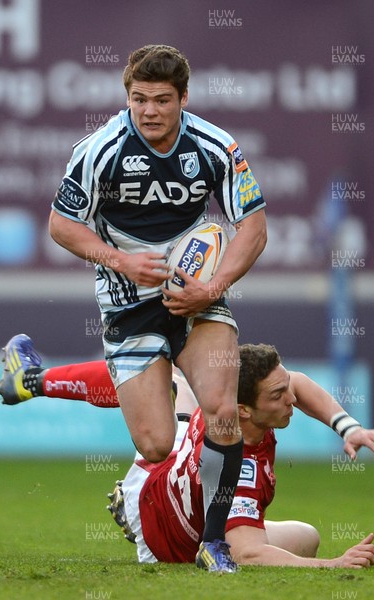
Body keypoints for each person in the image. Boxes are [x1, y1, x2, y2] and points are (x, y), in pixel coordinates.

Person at [46, 44, 267, 572]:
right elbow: (61, 225)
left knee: (222, 408)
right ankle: (141, 473)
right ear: (127, 97)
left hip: (196, 297)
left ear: (183, 99)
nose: (148, 110)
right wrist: (120, 261)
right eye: (138, 98)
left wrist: (211, 290)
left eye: (161, 100)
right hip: (128, 302)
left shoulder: (216, 147)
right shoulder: (98, 150)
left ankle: (214, 544)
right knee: (156, 442)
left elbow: (253, 230)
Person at [0, 336, 374, 567]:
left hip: (171, 470)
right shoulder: (243, 468)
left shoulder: (225, 401)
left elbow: (299, 383)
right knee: (157, 380)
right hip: (165, 541)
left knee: (307, 537)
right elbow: (245, 554)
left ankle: (31, 379)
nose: (291, 400)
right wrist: (333, 566)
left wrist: (348, 428)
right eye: (279, 397)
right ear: (244, 409)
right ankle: (32, 380)